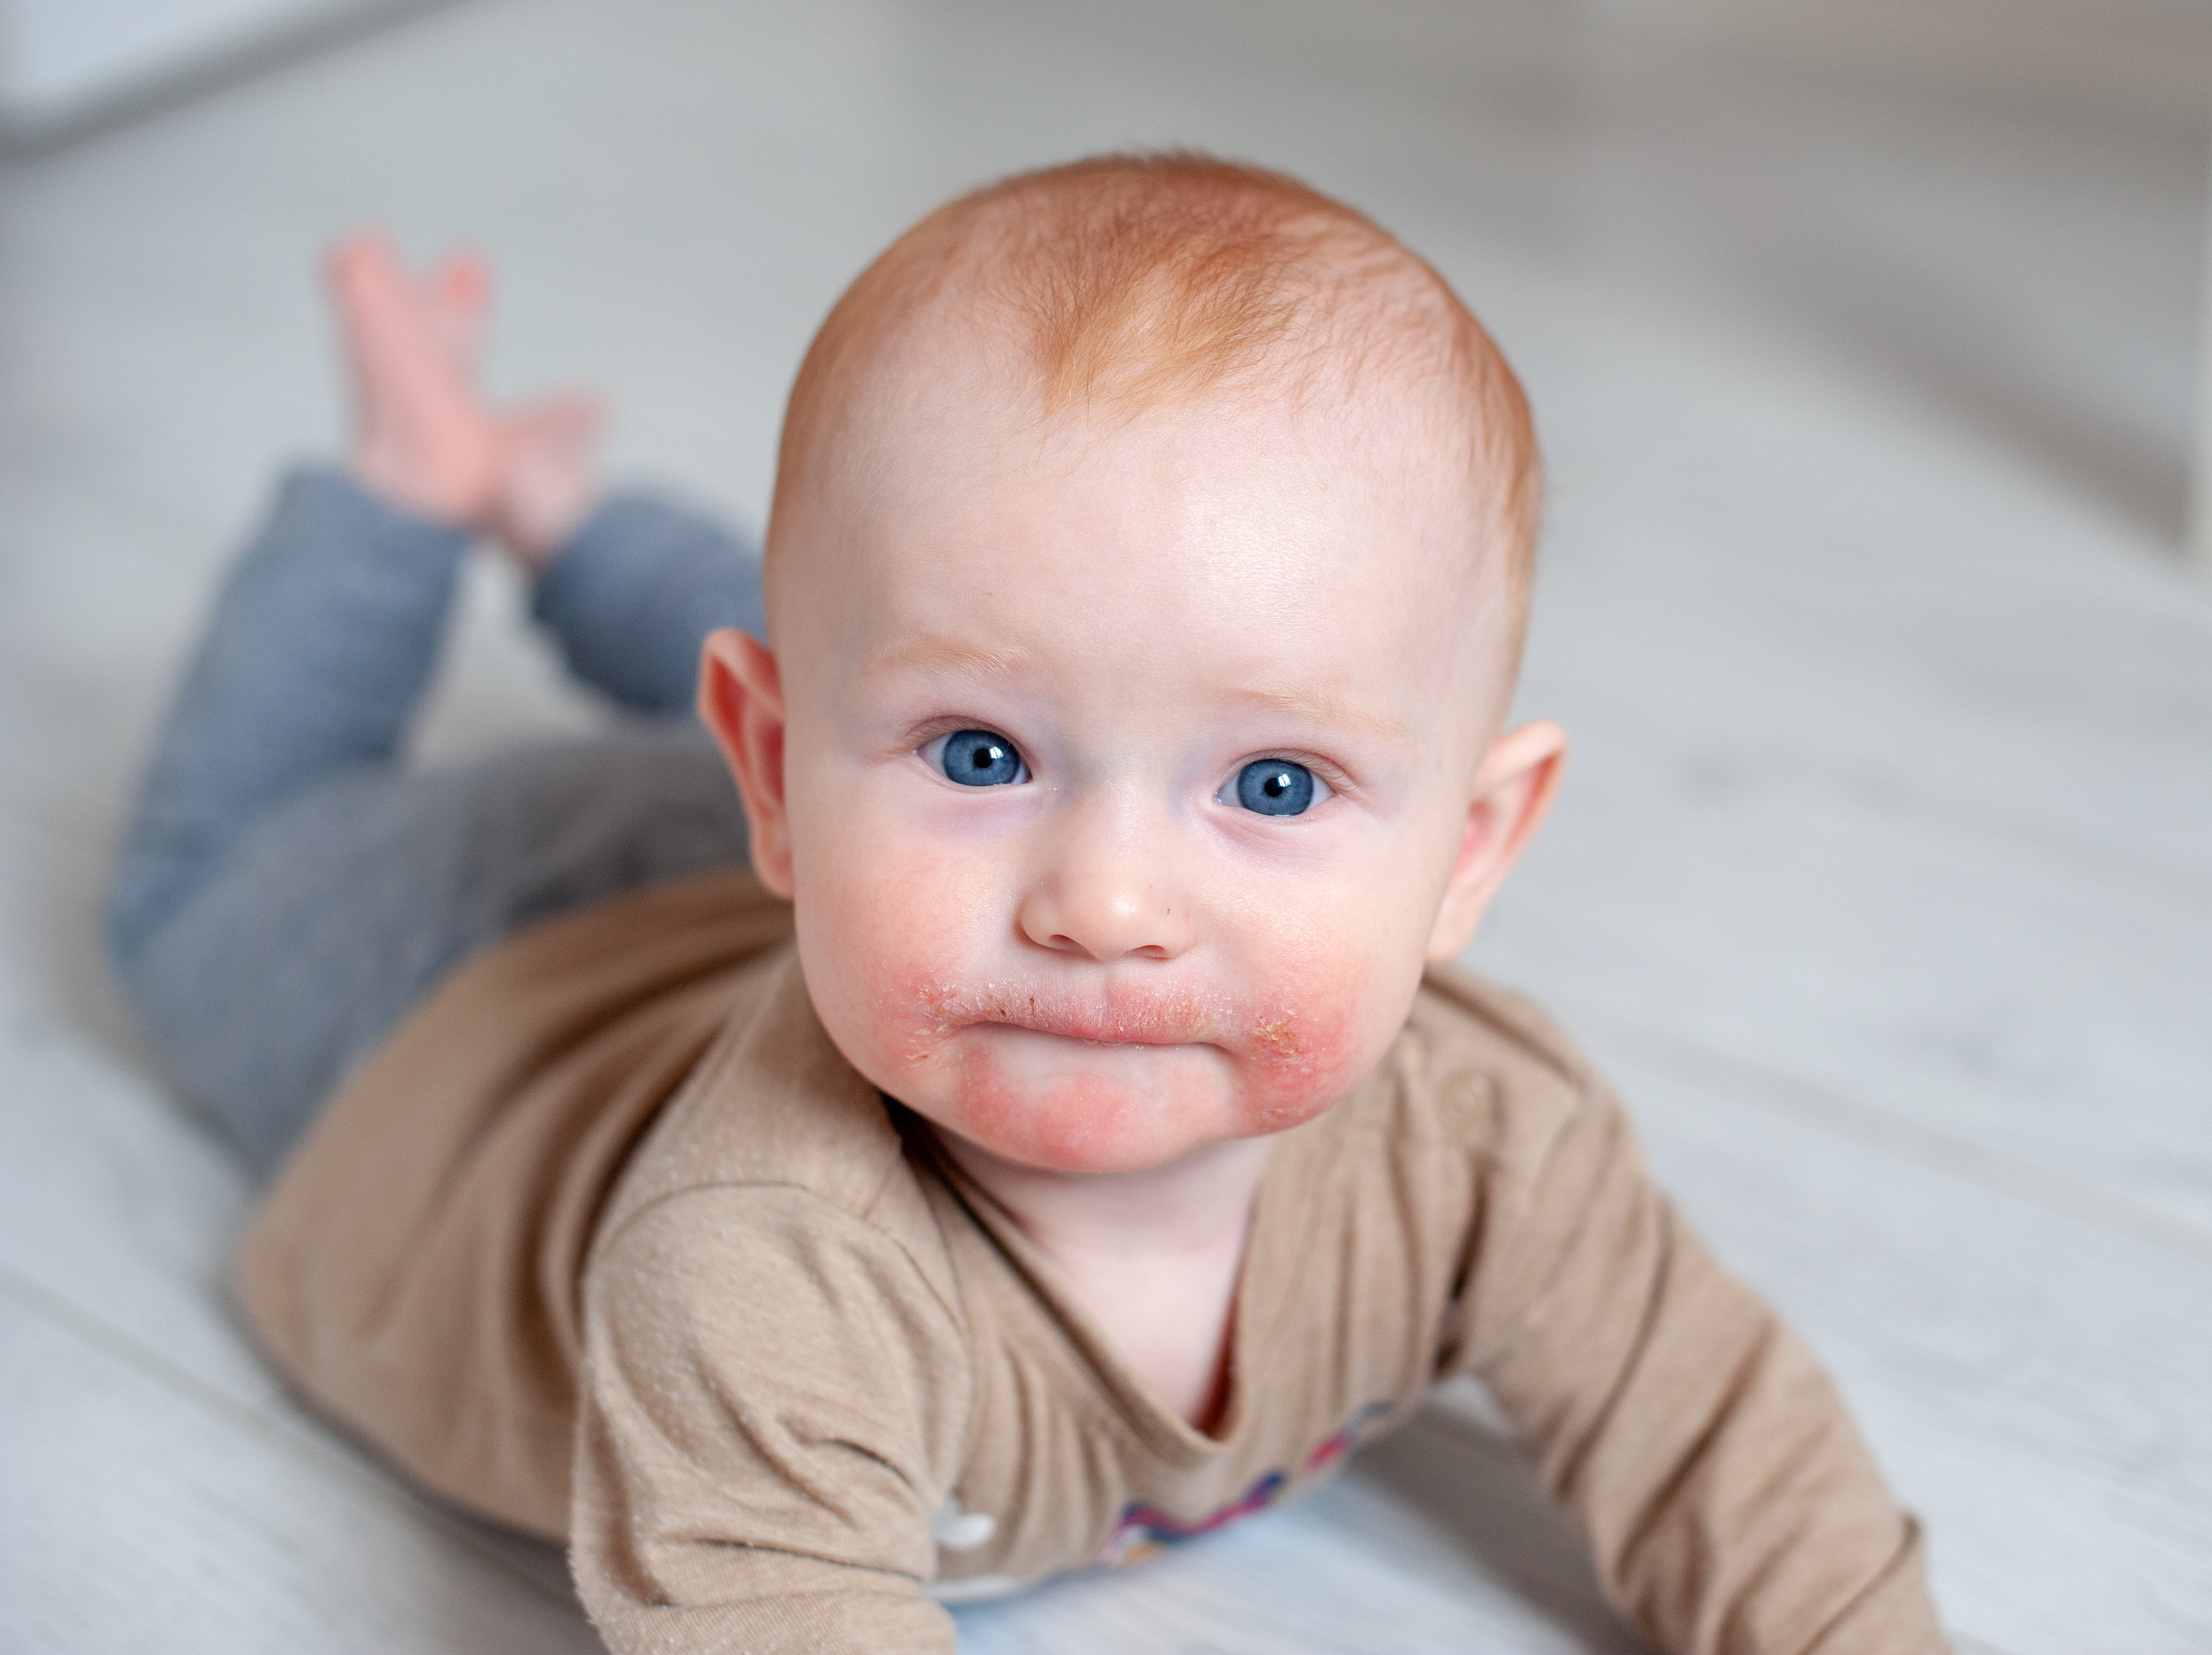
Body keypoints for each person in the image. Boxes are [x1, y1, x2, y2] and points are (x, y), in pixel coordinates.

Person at [108, 155, 1947, 1654]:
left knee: (943, 631)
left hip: (816, 894)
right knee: (195, 900)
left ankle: (581, 526)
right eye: (986, 762)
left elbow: (1722, 1444)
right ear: (774, 781)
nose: (1108, 901)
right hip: (450, 1028)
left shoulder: (1484, 1151)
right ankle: (411, 494)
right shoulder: (760, 1273)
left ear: (1471, 850)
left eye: (1276, 785)